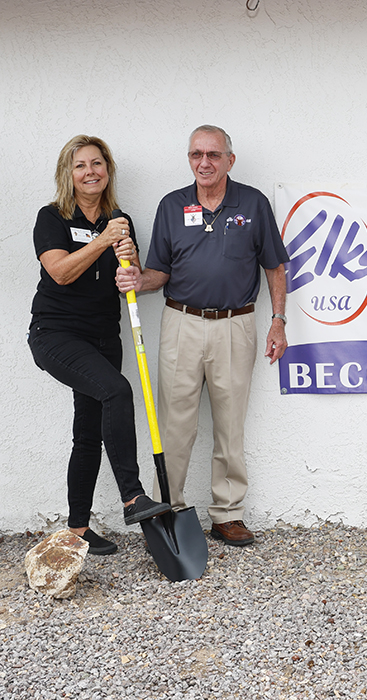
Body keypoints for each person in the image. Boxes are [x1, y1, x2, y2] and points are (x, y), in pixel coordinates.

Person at [116, 125, 289, 547]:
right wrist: (138, 279)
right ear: (189, 159)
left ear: (230, 159)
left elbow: (275, 267)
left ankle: (227, 515)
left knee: (230, 424)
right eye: (196, 155)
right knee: (175, 425)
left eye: (214, 154)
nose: (205, 163)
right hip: (182, 324)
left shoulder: (252, 203)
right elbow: (161, 273)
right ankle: (168, 513)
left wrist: (278, 320)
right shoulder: (172, 206)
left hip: (236, 324)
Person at [28, 135, 171, 556]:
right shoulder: (52, 217)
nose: (90, 172)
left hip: (105, 335)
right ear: (68, 175)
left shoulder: (120, 219)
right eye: (80, 166)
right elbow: (60, 273)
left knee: (88, 432)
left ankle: (77, 530)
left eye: (97, 163)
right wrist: (103, 240)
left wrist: (131, 262)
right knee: (116, 390)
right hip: (56, 334)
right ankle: (133, 496)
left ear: (107, 170)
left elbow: (133, 281)